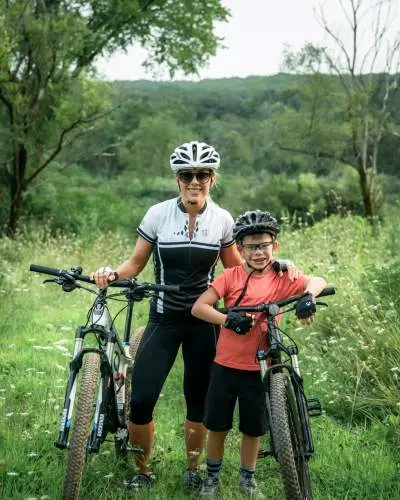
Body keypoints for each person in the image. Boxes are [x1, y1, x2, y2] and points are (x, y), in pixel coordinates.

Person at [92, 142, 299, 492]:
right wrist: (110, 273)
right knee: (141, 399)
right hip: (164, 318)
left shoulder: (222, 219)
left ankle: (193, 468)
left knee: (198, 398)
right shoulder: (157, 214)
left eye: (202, 174)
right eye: (187, 175)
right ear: (177, 179)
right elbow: (135, 264)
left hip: (204, 320)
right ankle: (142, 471)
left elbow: (238, 268)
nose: (194, 181)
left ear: (212, 179)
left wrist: (279, 265)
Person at [191, 210, 327, 498]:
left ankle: (247, 479)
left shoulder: (282, 276)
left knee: (253, 428)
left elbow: (317, 280)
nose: (258, 252)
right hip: (226, 365)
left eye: (264, 245)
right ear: (239, 249)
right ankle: (211, 478)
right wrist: (227, 319)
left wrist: (308, 297)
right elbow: (199, 307)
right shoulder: (230, 276)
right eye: (251, 246)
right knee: (217, 425)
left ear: (274, 246)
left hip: (262, 367)